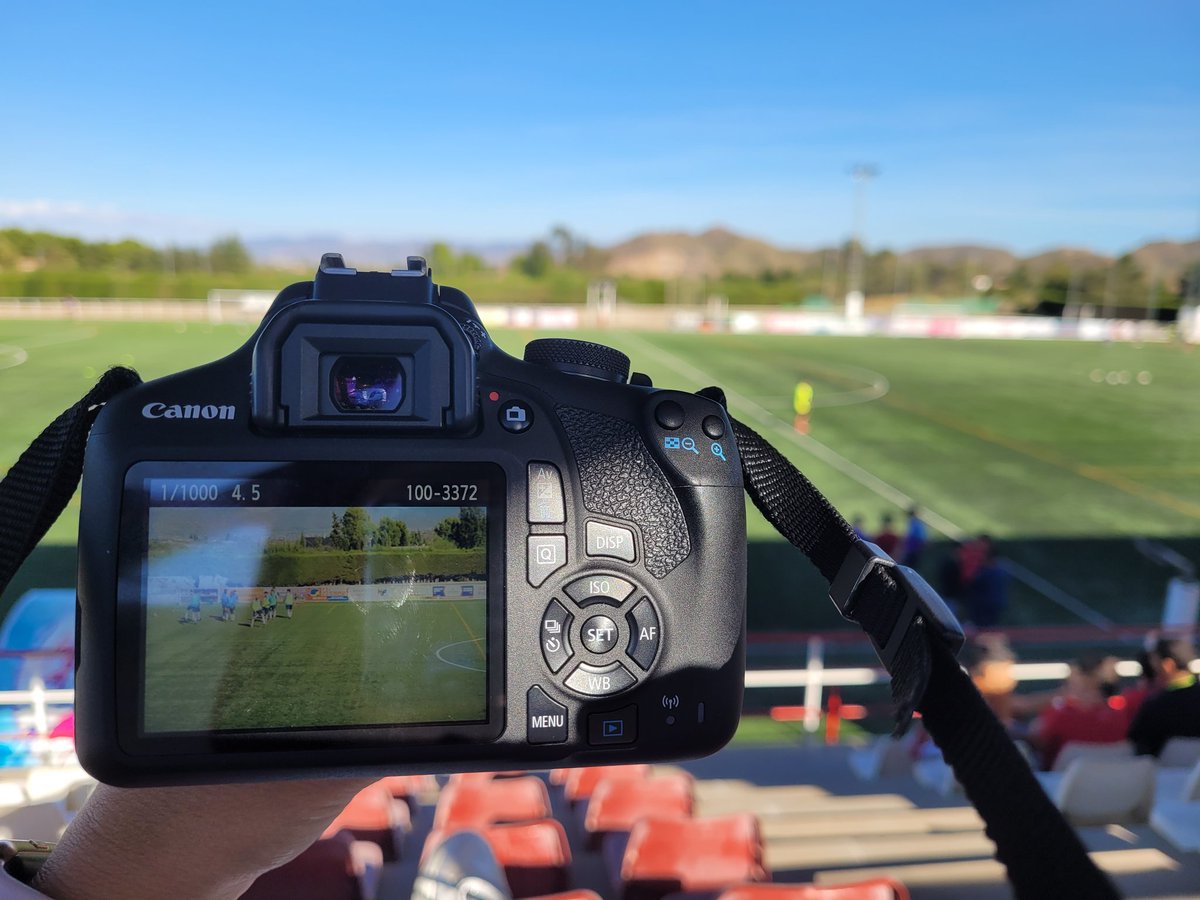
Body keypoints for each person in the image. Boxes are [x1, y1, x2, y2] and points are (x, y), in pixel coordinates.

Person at [1028, 655, 1130, 770]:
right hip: (1114, 785)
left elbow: (1036, 740)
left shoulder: (1060, 716)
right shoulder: (1121, 717)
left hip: (1060, 785)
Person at [1127, 636, 1200, 757]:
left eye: (1155, 662)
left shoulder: (1155, 705)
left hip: (1160, 772)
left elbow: (1138, 744)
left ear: (1168, 665)